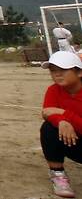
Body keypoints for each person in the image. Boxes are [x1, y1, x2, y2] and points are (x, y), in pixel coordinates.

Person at [40, 51, 82, 198]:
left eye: (63, 70)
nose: (57, 74)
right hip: (74, 141)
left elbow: (54, 110)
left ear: (79, 73)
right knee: (48, 128)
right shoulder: (53, 90)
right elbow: (47, 113)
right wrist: (62, 121)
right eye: (53, 71)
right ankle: (58, 174)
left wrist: (63, 114)